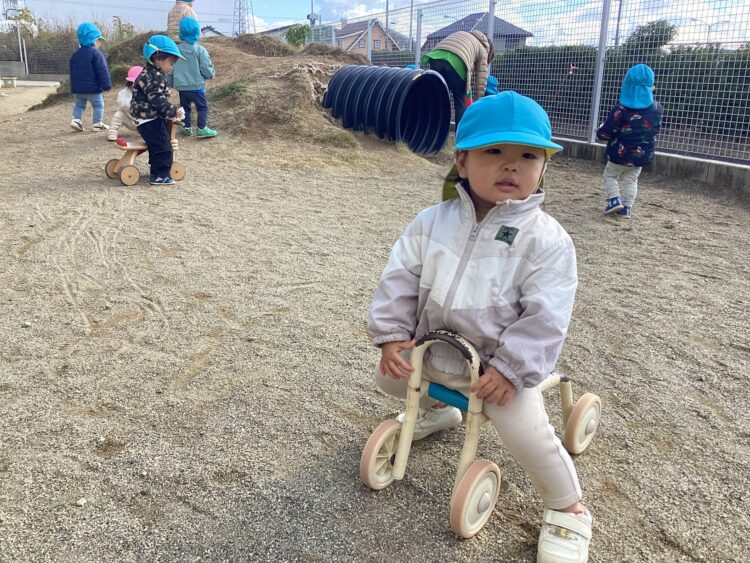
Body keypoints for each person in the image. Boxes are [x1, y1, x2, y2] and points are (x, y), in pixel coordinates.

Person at [368, 92, 592, 563]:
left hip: (495, 374)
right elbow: (400, 276)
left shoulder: (547, 241)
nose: (511, 165)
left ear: (543, 166)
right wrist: (392, 334)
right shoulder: (432, 222)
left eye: (528, 156)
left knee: (527, 434)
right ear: (462, 162)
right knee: (388, 378)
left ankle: (567, 508)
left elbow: (548, 314)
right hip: (435, 352)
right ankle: (439, 410)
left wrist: (512, 369)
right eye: (494, 151)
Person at [596, 64, 662, 218]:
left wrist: (601, 132)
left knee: (610, 176)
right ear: (651, 88)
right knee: (631, 180)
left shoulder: (621, 109)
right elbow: (654, 129)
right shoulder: (657, 108)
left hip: (619, 153)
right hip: (641, 154)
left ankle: (614, 199)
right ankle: (626, 208)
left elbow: (608, 130)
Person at [130, 35, 186, 186]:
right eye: (170, 62)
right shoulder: (152, 76)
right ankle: (159, 175)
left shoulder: (152, 74)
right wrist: (173, 111)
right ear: (157, 58)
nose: (172, 66)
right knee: (163, 146)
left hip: (148, 117)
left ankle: (158, 168)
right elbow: (157, 100)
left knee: (159, 144)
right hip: (148, 119)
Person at [421, 30, 493, 125]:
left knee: (438, 97)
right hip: (457, 60)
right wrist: (478, 104)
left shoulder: (464, 34)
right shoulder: (483, 49)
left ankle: (432, 128)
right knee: (459, 101)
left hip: (436, 57)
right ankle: (460, 132)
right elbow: (481, 81)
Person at [172, 17, 217, 138]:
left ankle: (187, 128)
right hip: (197, 86)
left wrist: (170, 81)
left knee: (185, 108)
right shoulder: (199, 50)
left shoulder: (176, 50)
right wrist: (211, 74)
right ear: (197, 32)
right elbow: (206, 68)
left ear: (181, 32)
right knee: (202, 107)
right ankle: (202, 128)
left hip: (182, 87)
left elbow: (171, 67)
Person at [69, 23, 112, 132]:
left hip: (78, 89)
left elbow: (73, 72)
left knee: (79, 104)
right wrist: (106, 85)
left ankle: (76, 120)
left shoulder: (75, 55)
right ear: (93, 40)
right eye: (99, 40)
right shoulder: (96, 54)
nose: (100, 43)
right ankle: (97, 123)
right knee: (98, 105)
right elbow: (102, 71)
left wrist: (74, 86)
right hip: (93, 89)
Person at [107, 65, 144, 141]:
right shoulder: (123, 92)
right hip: (129, 119)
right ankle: (112, 132)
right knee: (119, 114)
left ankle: (153, 133)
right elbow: (122, 105)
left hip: (144, 121)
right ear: (129, 83)